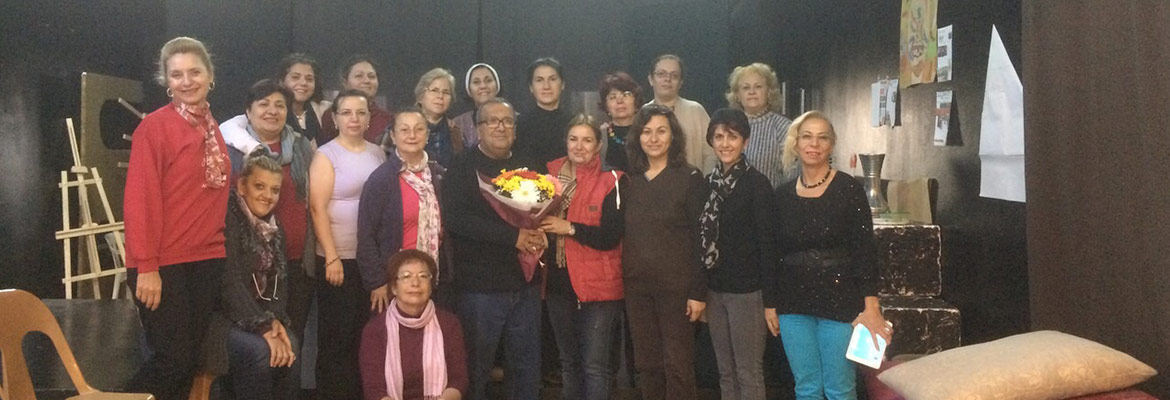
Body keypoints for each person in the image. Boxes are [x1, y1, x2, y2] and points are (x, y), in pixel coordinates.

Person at [122, 36, 229, 400]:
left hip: (206, 259)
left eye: (194, 72)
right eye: (177, 74)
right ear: (166, 81)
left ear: (209, 75)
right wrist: (147, 266)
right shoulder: (154, 127)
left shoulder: (212, 128)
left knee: (189, 363)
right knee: (173, 359)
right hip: (163, 263)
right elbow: (140, 201)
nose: (187, 81)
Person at [766, 111, 892, 400]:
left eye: (822, 138)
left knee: (839, 388)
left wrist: (871, 307)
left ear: (831, 145)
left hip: (841, 299)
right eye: (807, 137)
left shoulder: (849, 189)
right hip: (792, 301)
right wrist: (770, 303)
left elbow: (864, 251)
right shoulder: (781, 195)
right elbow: (773, 253)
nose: (814, 144)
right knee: (806, 387)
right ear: (796, 143)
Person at [442, 98, 544, 400]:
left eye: (508, 121)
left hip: (525, 284)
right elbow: (456, 220)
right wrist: (512, 237)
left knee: (526, 368)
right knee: (477, 368)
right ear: (478, 128)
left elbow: (543, 209)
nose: (501, 127)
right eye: (493, 121)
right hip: (480, 287)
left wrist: (542, 231)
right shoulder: (462, 165)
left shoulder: (529, 164)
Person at [218, 79, 318, 356]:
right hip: (245, 263)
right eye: (264, 104)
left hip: (295, 260)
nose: (272, 111)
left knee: (291, 341)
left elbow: (310, 200)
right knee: (256, 346)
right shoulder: (231, 148)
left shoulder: (301, 147)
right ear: (248, 111)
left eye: (280, 105)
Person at [621, 104, 707, 400]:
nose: (654, 138)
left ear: (673, 136)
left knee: (677, 365)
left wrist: (698, 292)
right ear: (638, 137)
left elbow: (702, 238)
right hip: (637, 288)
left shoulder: (690, 178)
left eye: (661, 131)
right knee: (647, 365)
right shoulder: (630, 180)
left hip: (678, 289)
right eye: (646, 132)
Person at [539, 115, 626, 400]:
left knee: (594, 366)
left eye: (587, 140)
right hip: (558, 283)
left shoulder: (613, 180)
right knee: (569, 363)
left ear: (598, 145)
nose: (579, 146)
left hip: (599, 287)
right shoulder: (547, 176)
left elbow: (611, 236)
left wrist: (570, 228)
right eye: (573, 139)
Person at [308, 89, 388, 399]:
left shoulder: (377, 153)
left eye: (360, 112)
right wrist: (331, 256)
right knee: (336, 337)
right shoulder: (326, 155)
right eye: (346, 112)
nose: (354, 118)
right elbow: (317, 208)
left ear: (369, 118)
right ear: (335, 118)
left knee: (363, 334)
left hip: (368, 261)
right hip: (337, 260)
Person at [207, 153, 298, 400]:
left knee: (290, 345)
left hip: (259, 317)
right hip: (219, 320)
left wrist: (275, 320)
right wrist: (263, 327)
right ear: (241, 186)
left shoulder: (275, 227)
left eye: (275, 190)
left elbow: (280, 283)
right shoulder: (227, 219)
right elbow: (229, 284)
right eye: (259, 186)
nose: (267, 196)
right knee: (259, 351)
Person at [699, 108, 777, 400]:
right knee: (725, 371)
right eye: (718, 137)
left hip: (747, 292)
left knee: (748, 372)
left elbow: (768, 245)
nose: (725, 143)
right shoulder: (708, 184)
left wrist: (771, 302)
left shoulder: (757, 184)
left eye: (732, 136)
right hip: (714, 290)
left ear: (745, 141)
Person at [357, 108, 446, 313]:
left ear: (427, 135)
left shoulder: (438, 175)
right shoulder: (381, 179)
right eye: (404, 130)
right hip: (394, 280)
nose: (412, 135)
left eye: (419, 129)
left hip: (432, 276)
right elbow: (366, 235)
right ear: (393, 136)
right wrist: (377, 281)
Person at [360, 249, 468, 400]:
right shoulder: (375, 329)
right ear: (393, 287)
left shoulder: (449, 324)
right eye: (406, 276)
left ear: (431, 286)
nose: (415, 283)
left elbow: (458, 380)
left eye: (423, 276)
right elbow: (374, 389)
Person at [725, 62, 793, 188]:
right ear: (737, 95)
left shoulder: (784, 128)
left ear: (769, 92)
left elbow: (792, 177)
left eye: (758, 86)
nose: (752, 92)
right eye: (746, 88)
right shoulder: (726, 127)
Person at [645, 54, 715, 173]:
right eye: (661, 74)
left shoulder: (695, 110)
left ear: (681, 82)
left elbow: (711, 153)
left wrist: (705, 181)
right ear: (651, 79)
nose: (668, 79)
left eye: (674, 75)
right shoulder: (643, 113)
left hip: (693, 182)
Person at [515, 57, 573, 173]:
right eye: (539, 80)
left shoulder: (575, 123)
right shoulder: (519, 125)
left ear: (562, 84)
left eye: (552, 79)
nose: (546, 86)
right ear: (531, 87)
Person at [320, 55, 394, 145]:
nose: (366, 81)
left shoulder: (389, 121)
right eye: (359, 76)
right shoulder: (331, 116)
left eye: (371, 76)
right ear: (345, 82)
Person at [407, 68, 464, 167]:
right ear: (420, 97)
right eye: (434, 90)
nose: (440, 96)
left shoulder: (455, 132)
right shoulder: (403, 128)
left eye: (446, 92)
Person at [276, 53, 327, 145]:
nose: (303, 83)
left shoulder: (323, 110)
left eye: (309, 79)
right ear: (282, 82)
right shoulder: (272, 111)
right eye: (295, 77)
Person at [597, 72, 642, 172]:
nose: (619, 101)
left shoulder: (647, 132)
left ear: (636, 101)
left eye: (626, 95)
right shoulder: (600, 136)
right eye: (613, 97)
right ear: (606, 106)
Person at [452, 63, 501, 148]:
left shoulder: (514, 119)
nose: (483, 86)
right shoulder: (458, 124)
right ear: (469, 90)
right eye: (476, 82)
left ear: (497, 86)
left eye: (488, 80)